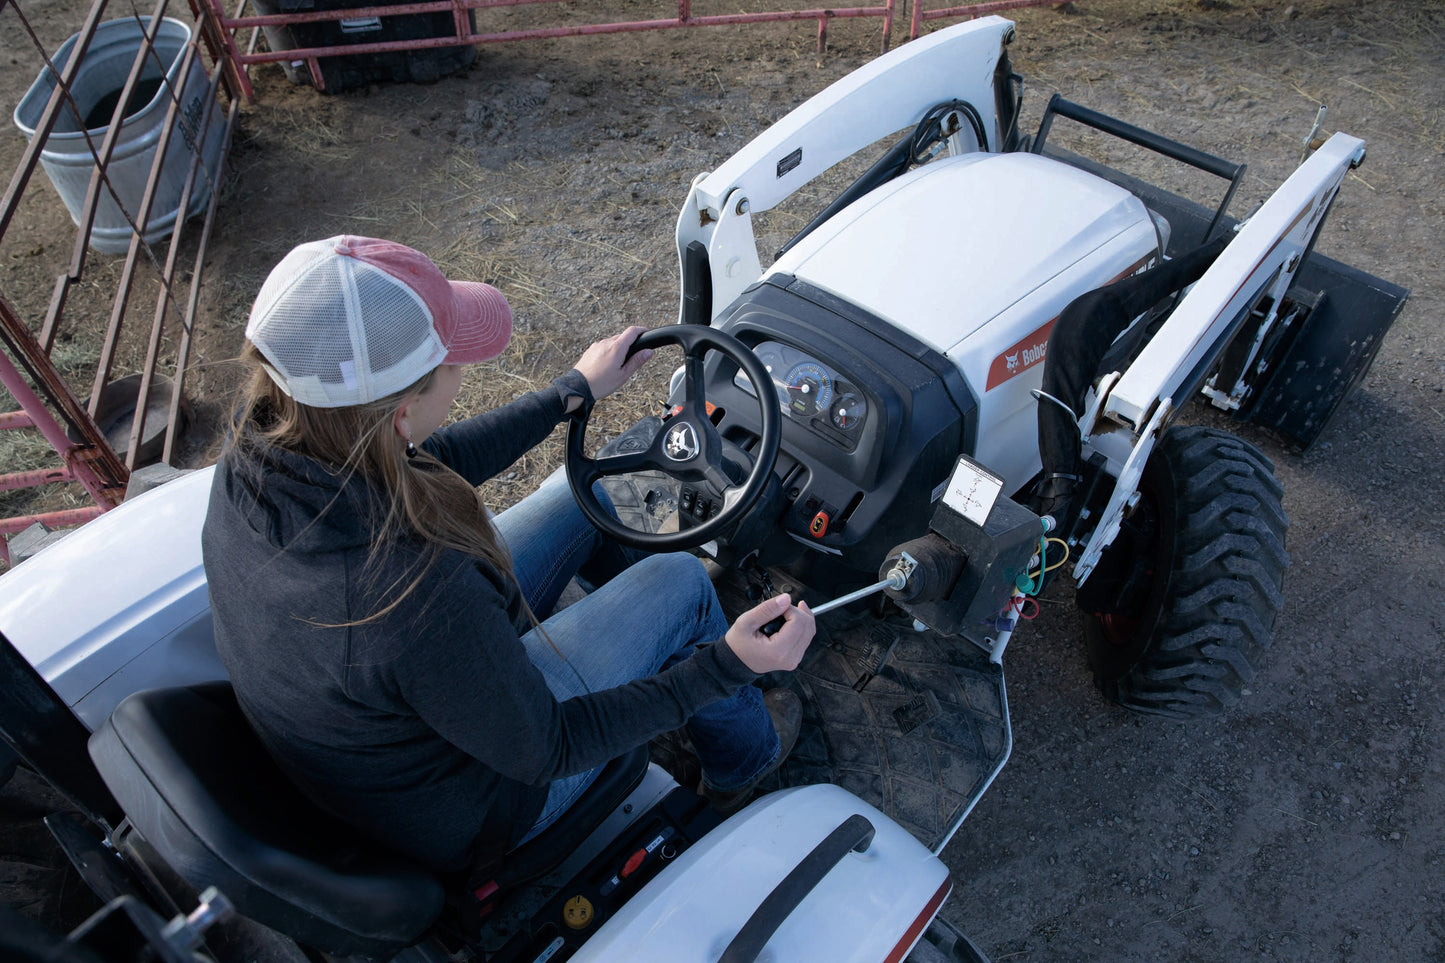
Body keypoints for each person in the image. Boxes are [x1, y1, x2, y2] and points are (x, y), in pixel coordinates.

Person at [201, 235, 815, 877]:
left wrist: (569, 394)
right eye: (454, 362)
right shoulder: (413, 596)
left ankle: (652, 643)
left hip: (392, 731)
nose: (462, 374)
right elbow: (550, 748)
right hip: (488, 801)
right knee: (682, 583)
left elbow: (426, 462)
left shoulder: (265, 448)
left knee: (584, 496)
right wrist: (724, 667)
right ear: (404, 413)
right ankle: (744, 758)